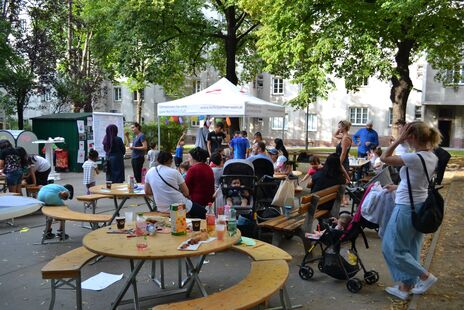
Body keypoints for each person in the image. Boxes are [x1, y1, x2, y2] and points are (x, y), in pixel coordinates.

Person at [380, 121, 441, 300]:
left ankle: (425, 277)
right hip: (420, 205)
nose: (404, 140)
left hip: (406, 207)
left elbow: (384, 158)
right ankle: (406, 288)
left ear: (411, 137)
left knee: (391, 248)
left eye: (405, 135)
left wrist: (397, 140)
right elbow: (416, 181)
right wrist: (397, 187)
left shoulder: (414, 158)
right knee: (410, 248)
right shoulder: (431, 156)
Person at [144, 151, 206, 218]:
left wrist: (159, 190)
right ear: (170, 160)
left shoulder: (150, 171)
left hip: (161, 208)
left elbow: (147, 191)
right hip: (178, 206)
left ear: (158, 160)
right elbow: (186, 193)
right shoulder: (174, 172)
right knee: (204, 212)